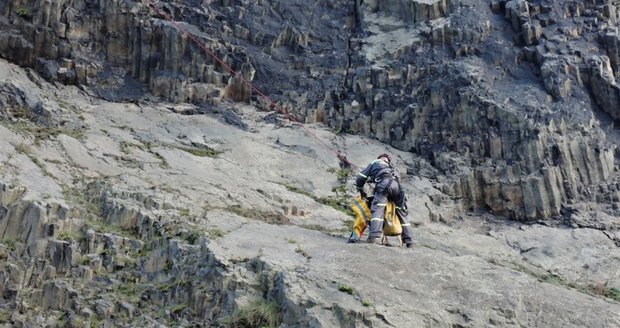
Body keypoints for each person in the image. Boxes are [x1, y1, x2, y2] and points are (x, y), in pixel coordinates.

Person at [355, 153, 414, 248]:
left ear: (380, 158)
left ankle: (373, 236)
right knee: (402, 212)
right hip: (397, 188)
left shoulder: (376, 162)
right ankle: (409, 241)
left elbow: (361, 177)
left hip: (384, 185)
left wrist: (361, 189)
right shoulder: (393, 167)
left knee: (378, 209)